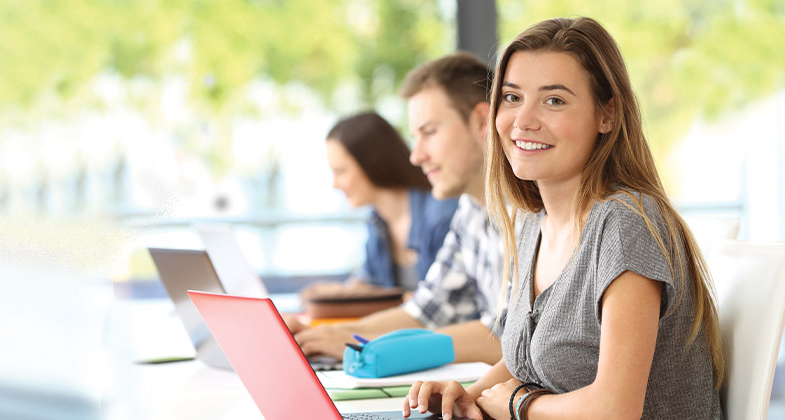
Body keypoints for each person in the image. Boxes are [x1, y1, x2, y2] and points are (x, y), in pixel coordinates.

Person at [403, 17, 726, 420]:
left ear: (606, 115)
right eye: (512, 97)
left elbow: (615, 409)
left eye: (554, 100)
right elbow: (528, 357)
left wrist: (518, 405)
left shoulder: (626, 224)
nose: (523, 120)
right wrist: (469, 395)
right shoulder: (531, 224)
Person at [289, 52, 506, 365]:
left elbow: (512, 338)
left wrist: (366, 346)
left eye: (429, 132)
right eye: (414, 136)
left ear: (482, 121)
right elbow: (424, 313)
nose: (416, 156)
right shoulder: (469, 213)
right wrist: (337, 334)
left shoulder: (534, 212)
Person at [322, 111, 458, 292]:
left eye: (340, 171)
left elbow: (439, 302)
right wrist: (334, 294)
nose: (334, 184)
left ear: (372, 163)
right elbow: (369, 280)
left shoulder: (442, 214)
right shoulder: (377, 221)